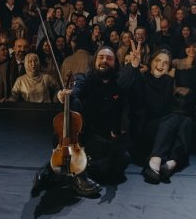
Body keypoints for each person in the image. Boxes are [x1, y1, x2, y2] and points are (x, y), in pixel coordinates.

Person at [31, 46, 129, 198]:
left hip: (101, 138)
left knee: (119, 164)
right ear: (94, 61)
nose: (104, 61)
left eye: (109, 58)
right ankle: (78, 176)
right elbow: (73, 92)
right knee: (74, 104)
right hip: (78, 135)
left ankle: (55, 171)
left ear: (115, 64)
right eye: (101, 57)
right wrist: (63, 96)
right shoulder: (82, 78)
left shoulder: (119, 86)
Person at [120, 47, 193, 184]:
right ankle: (155, 159)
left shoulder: (168, 81)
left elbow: (165, 110)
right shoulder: (141, 78)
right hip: (142, 130)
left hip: (162, 129)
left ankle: (171, 163)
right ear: (151, 62)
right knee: (173, 117)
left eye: (165, 63)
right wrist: (134, 66)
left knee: (186, 121)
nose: (161, 65)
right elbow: (123, 85)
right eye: (158, 60)